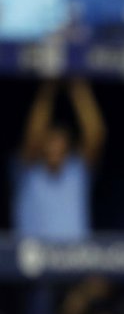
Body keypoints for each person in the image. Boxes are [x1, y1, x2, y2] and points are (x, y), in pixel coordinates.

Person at [11, 78, 106, 242]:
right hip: (33, 261)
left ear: (68, 148)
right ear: (42, 145)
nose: (55, 148)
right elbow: (33, 136)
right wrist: (48, 90)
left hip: (73, 260)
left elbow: (96, 134)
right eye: (50, 141)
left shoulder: (76, 172)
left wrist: (78, 89)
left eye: (60, 143)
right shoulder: (29, 171)